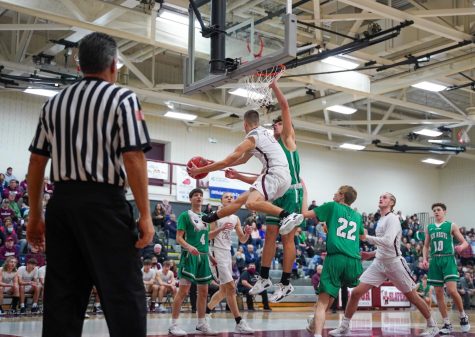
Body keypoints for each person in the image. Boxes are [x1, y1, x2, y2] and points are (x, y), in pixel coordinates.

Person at [26, 32, 154, 337]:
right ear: (114, 64)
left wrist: (35, 215)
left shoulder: (54, 104)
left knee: (63, 298)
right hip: (104, 206)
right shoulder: (123, 98)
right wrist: (146, 215)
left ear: (79, 65)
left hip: (62, 204)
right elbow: (133, 158)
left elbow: (36, 162)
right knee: (123, 293)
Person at [221, 82, 305, 302]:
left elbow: (285, 107)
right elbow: (262, 179)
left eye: (280, 124)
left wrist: (274, 85)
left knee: (287, 240)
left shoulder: (288, 141)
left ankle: (286, 283)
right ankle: (264, 277)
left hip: (291, 193)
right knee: (269, 235)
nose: (276, 126)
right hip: (276, 192)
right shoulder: (271, 151)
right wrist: (238, 176)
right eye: (274, 124)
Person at [328, 193, 438, 337]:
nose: (381, 198)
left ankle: (432, 325)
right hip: (379, 263)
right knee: (355, 293)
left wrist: (366, 237)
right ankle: (344, 327)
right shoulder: (381, 220)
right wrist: (371, 254)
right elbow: (384, 246)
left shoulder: (393, 219)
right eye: (380, 197)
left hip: (394, 263)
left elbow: (387, 241)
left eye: (385, 197)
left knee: (413, 297)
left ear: (392, 202)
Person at [187, 109, 303, 234]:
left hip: (274, 173)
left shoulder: (251, 139)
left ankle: (287, 215)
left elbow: (226, 162)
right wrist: (213, 163)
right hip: (284, 177)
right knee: (240, 200)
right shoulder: (264, 132)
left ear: (245, 124)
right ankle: (206, 219)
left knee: (251, 203)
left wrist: (199, 170)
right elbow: (242, 160)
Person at [300, 186, 363, 337]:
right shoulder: (358, 215)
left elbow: (304, 214)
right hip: (353, 261)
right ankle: (313, 322)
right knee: (331, 294)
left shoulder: (332, 205)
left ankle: (317, 334)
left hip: (336, 258)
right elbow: (361, 236)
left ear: (342, 196)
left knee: (322, 301)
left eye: (336, 192)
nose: (333, 193)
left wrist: (305, 193)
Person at [168, 188, 217, 336]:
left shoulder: (206, 217)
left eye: (201, 195)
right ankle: (174, 325)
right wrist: (189, 247)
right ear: (190, 199)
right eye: (196, 195)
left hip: (203, 257)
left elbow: (205, 238)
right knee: (183, 291)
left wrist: (210, 255)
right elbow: (179, 237)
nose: (199, 197)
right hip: (190, 256)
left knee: (204, 292)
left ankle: (202, 323)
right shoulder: (184, 215)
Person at [206, 192, 254, 334]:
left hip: (227, 253)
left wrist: (247, 233)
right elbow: (208, 236)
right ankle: (239, 322)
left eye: (232, 197)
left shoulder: (235, 218)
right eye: (226, 197)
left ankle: (205, 314)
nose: (229, 198)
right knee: (231, 288)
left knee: (223, 291)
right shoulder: (215, 214)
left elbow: (243, 239)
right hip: (216, 252)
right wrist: (220, 228)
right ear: (221, 200)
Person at [422, 202, 470, 334]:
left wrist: (461, 247)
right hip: (435, 260)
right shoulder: (429, 227)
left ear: (444, 212)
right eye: (434, 210)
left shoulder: (451, 225)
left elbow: (464, 242)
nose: (436, 212)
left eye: (438, 210)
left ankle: (463, 316)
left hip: (448, 259)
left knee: (452, 290)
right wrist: (425, 259)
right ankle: (447, 323)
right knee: (438, 293)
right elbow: (426, 246)